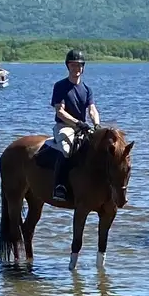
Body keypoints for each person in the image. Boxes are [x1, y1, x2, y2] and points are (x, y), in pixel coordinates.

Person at [48, 49, 100, 204]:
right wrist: (77, 123)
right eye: (73, 65)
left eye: (79, 65)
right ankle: (60, 186)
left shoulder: (87, 89)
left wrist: (96, 124)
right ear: (68, 66)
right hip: (64, 126)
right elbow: (60, 111)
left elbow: (92, 109)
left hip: (82, 127)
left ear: (83, 68)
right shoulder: (60, 86)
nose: (76, 68)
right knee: (66, 149)